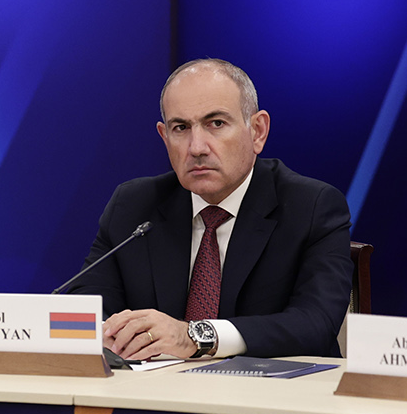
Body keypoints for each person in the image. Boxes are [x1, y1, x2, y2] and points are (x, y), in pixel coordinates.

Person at [74, 58, 352, 360]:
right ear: (165, 138)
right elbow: (85, 308)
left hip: (269, 386)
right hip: (154, 386)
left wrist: (195, 337)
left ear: (257, 131)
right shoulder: (134, 205)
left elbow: (315, 323)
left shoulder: (311, 206)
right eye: (181, 128)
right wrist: (107, 333)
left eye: (216, 124)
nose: (197, 148)